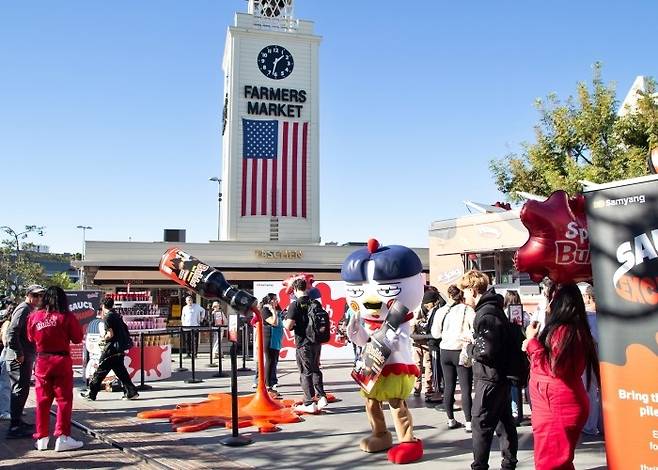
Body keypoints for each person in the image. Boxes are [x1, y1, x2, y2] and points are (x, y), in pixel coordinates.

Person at [523, 283, 599, 470]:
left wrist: (532, 342)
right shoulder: (575, 329)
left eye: (549, 298)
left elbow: (553, 368)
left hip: (555, 405)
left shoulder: (563, 331)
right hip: (558, 402)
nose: (547, 304)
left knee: (550, 463)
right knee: (559, 462)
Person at [459, 270, 518, 470]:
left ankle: (480, 465)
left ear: (474, 289)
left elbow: (487, 350)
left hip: (489, 377)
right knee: (503, 421)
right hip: (496, 376)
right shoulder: (492, 309)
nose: (463, 295)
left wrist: (469, 347)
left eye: (465, 290)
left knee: (481, 423)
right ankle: (508, 462)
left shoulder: (486, 314)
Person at [27, 286, 84, 452]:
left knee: (42, 401)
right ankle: (62, 437)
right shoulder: (66, 316)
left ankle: (42, 438)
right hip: (61, 361)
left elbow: (30, 337)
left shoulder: (34, 317)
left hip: (42, 362)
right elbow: (77, 338)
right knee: (64, 401)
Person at [431, 285, 475, 432]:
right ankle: (469, 421)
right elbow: (474, 330)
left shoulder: (441, 311)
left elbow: (436, 334)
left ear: (449, 296)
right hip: (460, 350)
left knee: (449, 386)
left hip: (445, 350)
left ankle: (450, 419)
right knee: (465, 387)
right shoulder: (467, 310)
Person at [5, 284, 45, 439]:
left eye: (40, 296)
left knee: (22, 390)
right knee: (19, 390)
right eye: (35, 295)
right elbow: (12, 332)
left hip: (25, 356)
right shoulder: (23, 309)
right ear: (28, 295)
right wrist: (19, 353)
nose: (38, 299)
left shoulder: (29, 309)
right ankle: (14, 426)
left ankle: (18, 421)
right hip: (18, 357)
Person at [283, 277, 328, 413]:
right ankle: (321, 397)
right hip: (316, 341)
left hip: (303, 343)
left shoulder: (295, 305)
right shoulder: (315, 303)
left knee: (305, 372)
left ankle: (309, 402)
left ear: (295, 289)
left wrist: (283, 320)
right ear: (306, 288)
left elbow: (289, 325)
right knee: (315, 369)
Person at [81, 297, 138, 401]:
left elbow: (110, 334)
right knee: (121, 371)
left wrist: (102, 338)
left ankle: (91, 393)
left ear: (103, 306)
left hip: (111, 349)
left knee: (100, 370)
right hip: (119, 348)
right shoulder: (117, 315)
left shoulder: (108, 317)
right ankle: (131, 392)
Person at [578, 282, 603, 436]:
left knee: (591, 391)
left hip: (590, 358)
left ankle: (590, 424)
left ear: (588, 297)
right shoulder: (607, 317)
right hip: (606, 359)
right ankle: (602, 423)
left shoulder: (586, 318)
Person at [411, 290, 441, 402]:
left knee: (424, 365)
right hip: (420, 341)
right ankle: (422, 388)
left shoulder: (422, 309)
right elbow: (413, 325)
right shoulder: (420, 310)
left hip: (422, 341)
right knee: (422, 365)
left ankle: (424, 388)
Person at [503, 290, 529, 423]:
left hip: (508, 351)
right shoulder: (524, 315)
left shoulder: (503, 314)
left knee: (511, 383)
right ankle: (521, 411)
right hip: (523, 350)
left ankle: (514, 411)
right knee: (522, 381)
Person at [254, 294, 283, 393]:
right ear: (270, 301)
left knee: (274, 361)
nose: (276, 301)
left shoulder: (276, 308)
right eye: (275, 299)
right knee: (269, 361)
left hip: (276, 339)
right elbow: (274, 322)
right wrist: (273, 310)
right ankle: (267, 385)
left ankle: (272, 383)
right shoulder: (265, 310)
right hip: (269, 338)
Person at [0, 302, 17, 421]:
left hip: (10, 353)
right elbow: (6, 340)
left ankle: (11, 408)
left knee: (11, 383)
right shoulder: (8, 324)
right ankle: (4, 411)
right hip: (8, 353)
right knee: (5, 383)